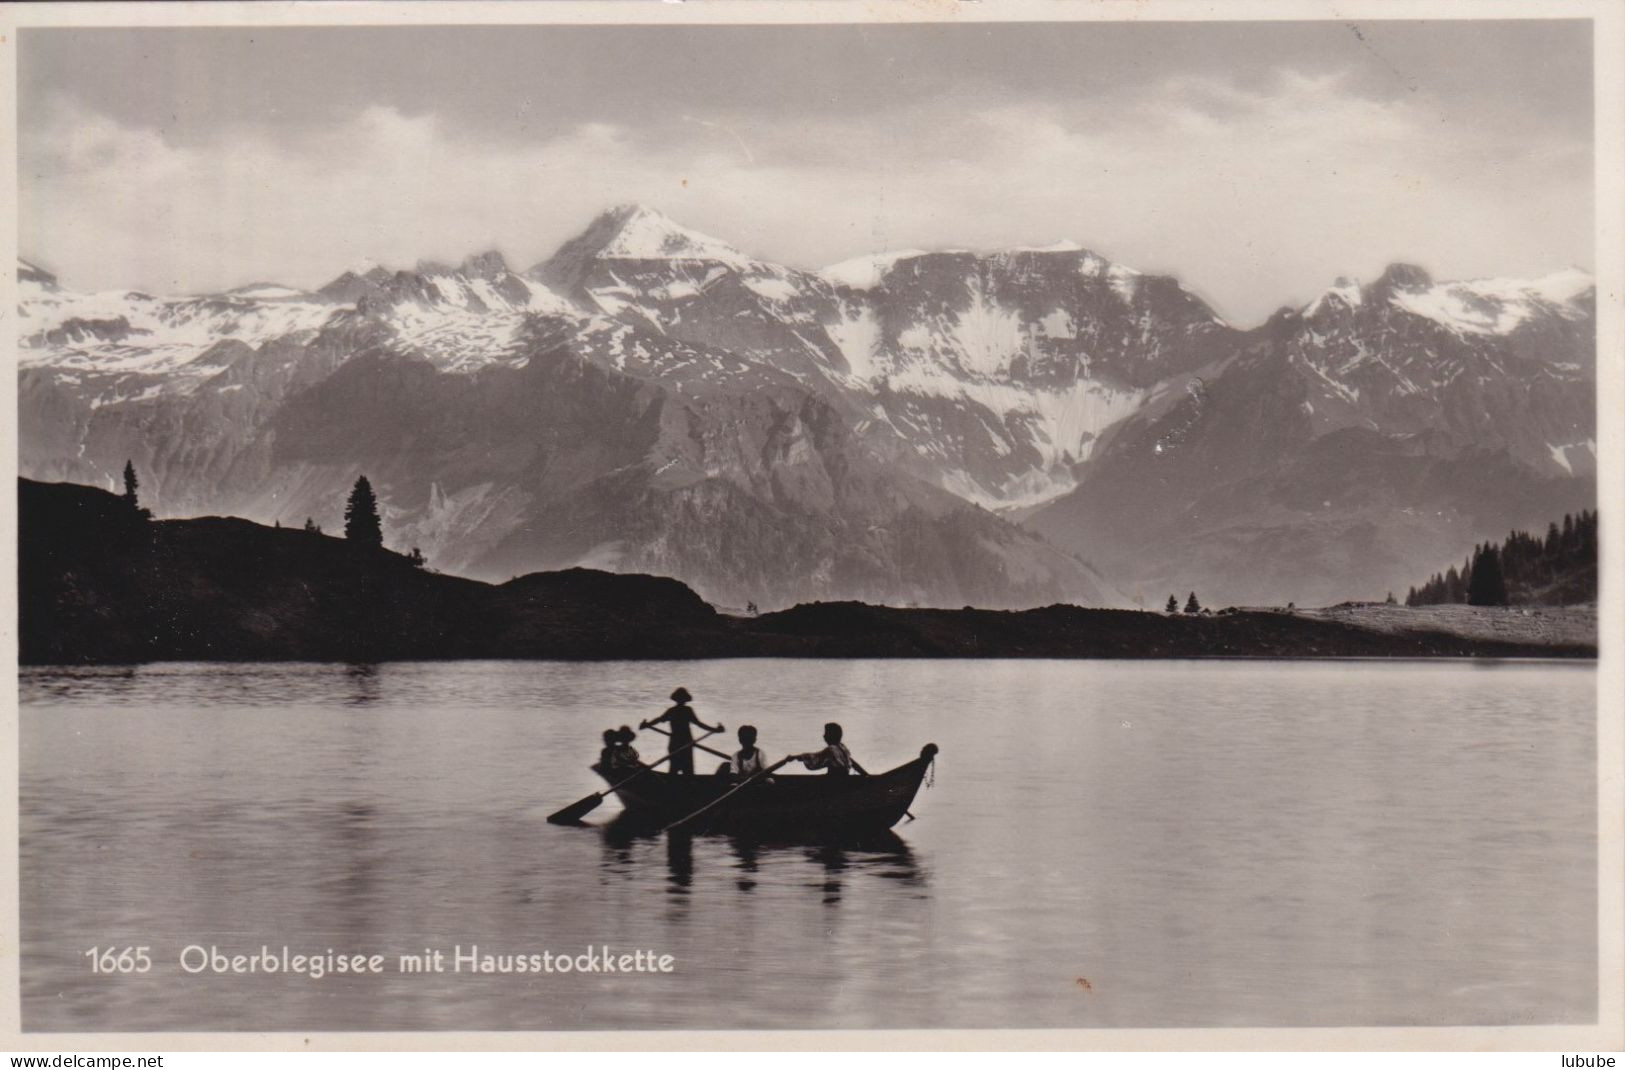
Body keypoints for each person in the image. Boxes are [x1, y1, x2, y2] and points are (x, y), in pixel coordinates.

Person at [640, 687, 721, 776]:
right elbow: (699, 724)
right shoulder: (684, 710)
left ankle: (677, 784)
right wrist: (715, 729)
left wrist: (647, 724)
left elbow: (659, 720)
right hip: (682, 742)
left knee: (678, 768)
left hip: (681, 742)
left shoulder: (676, 710)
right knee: (684, 769)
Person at [792, 722, 857, 776]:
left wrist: (795, 757)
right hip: (842, 778)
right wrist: (866, 775)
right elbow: (853, 763)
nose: (824, 736)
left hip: (836, 781)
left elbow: (814, 757)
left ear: (831, 736)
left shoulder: (831, 749)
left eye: (826, 733)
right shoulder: (842, 748)